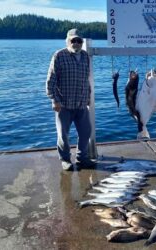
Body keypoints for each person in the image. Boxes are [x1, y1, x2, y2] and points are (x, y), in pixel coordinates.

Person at [46, 28, 96, 171]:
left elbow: (86, 80)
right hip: (64, 105)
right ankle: (66, 160)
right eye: (73, 40)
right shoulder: (59, 56)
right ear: (67, 41)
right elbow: (51, 81)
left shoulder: (86, 56)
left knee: (86, 132)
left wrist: (87, 97)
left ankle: (82, 158)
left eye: (79, 40)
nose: (76, 43)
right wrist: (54, 100)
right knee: (63, 135)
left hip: (81, 104)